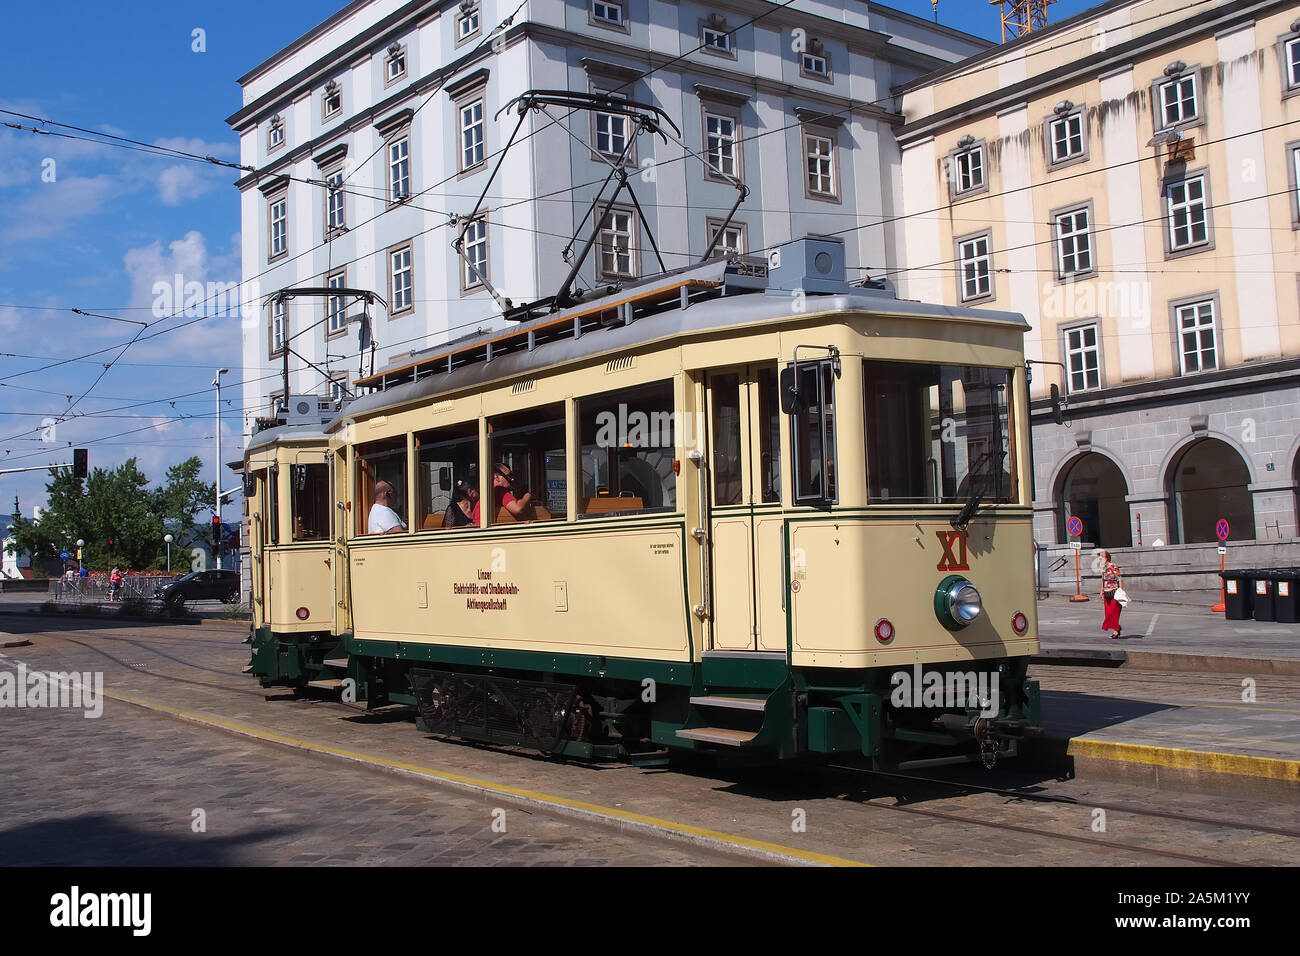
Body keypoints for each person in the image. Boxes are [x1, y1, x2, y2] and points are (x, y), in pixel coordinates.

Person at [1100, 550, 1123, 639]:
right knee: (1108, 613)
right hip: (1106, 593)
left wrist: (1121, 591)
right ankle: (1117, 627)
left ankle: (1116, 630)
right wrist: (1101, 591)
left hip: (1115, 592)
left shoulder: (1114, 567)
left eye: (1101, 558)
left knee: (1114, 612)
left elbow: (1120, 579)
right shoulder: (1104, 569)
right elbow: (1103, 581)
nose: (1100, 559)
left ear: (1106, 558)